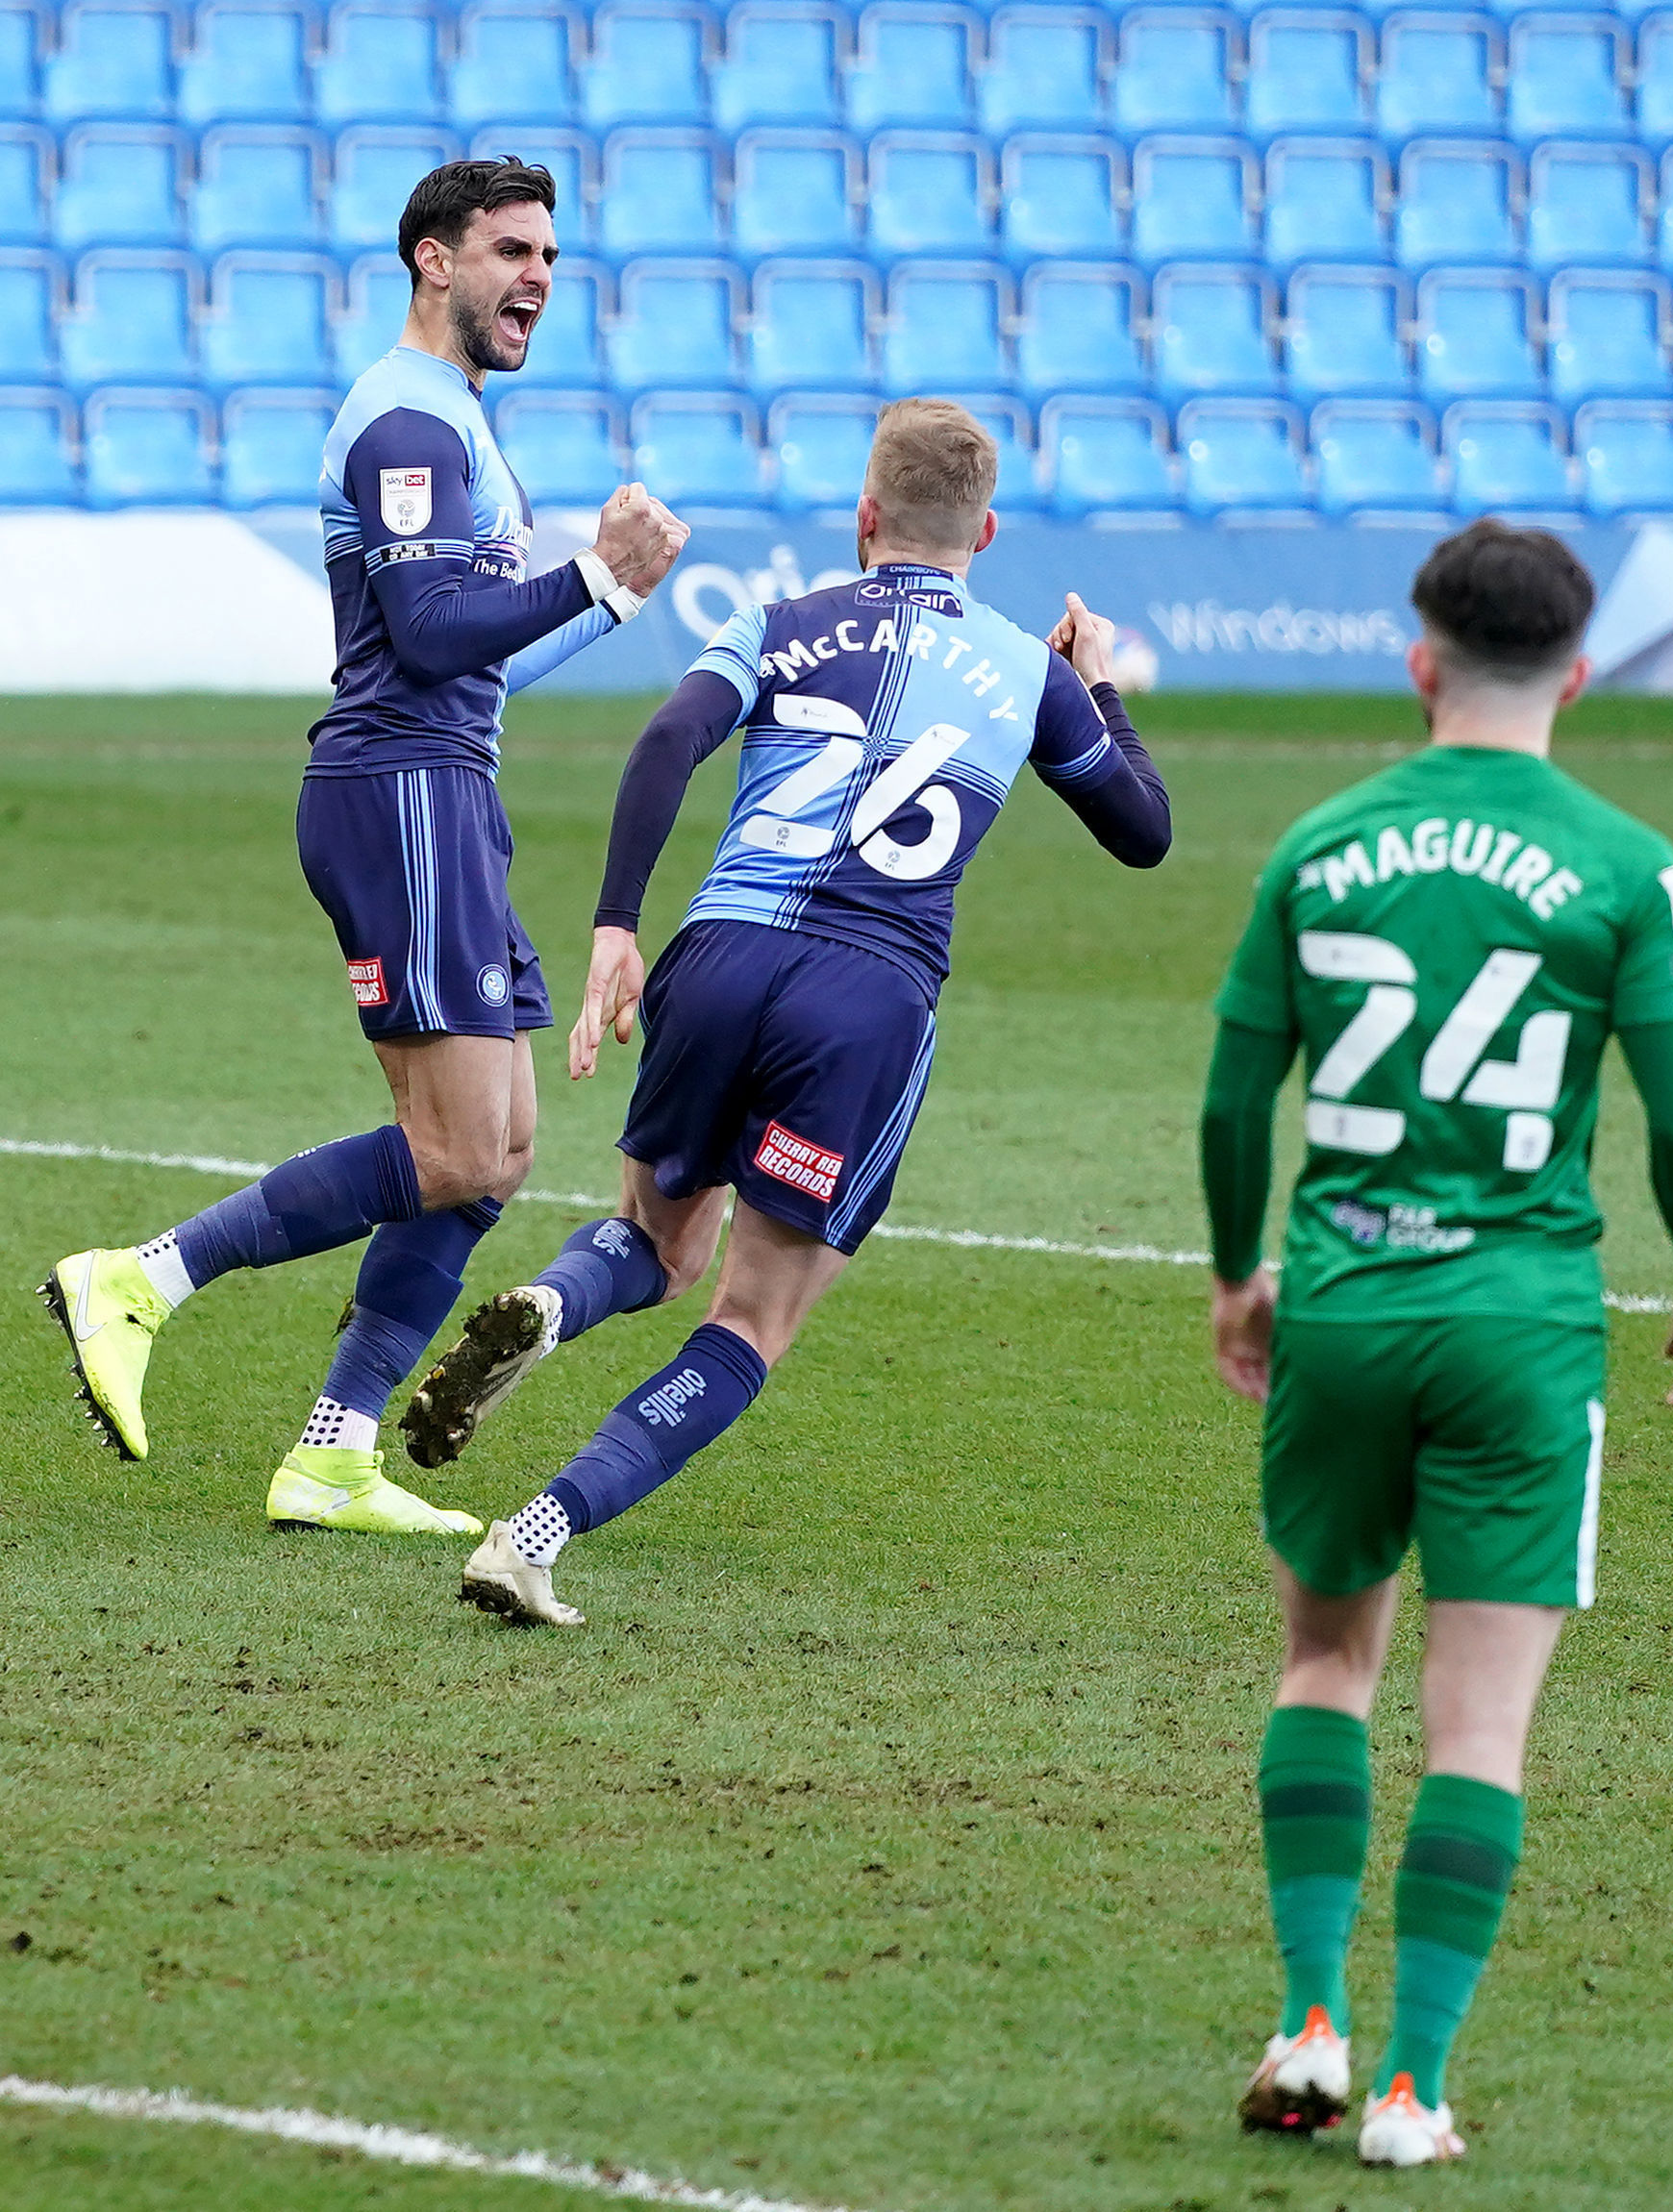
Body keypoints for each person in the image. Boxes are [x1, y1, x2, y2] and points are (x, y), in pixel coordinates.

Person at [390, 396, 1173, 1627]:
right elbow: (1144, 834)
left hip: (718, 956)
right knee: (749, 1320)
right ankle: (533, 1535)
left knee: (653, 1243)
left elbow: (665, 743)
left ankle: (553, 1299)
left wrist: (615, 925)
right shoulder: (1030, 669)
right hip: (866, 992)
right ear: (989, 531)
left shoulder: (778, 622)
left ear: (866, 520)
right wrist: (1103, 687)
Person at [41, 157, 688, 1535]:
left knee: (499, 1149)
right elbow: (433, 638)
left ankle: (332, 1451)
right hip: (398, 795)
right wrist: (583, 566)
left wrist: (615, 596)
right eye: (512, 251)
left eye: (552, 259)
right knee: (454, 1150)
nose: (538, 281)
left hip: (444, 788)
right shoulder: (406, 425)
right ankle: (140, 1277)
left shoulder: (452, 416)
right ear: (431, 261)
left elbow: (482, 665)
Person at [1201, 519, 1673, 2169]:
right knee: (1479, 1726)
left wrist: (1242, 1273)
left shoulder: (1319, 843)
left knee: (1323, 1666)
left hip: (1346, 1307)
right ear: (1577, 673)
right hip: (1518, 1326)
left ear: (1419, 660)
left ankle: (1306, 2018)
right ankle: (1414, 2092)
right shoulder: (1626, 862)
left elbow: (1235, 1097)